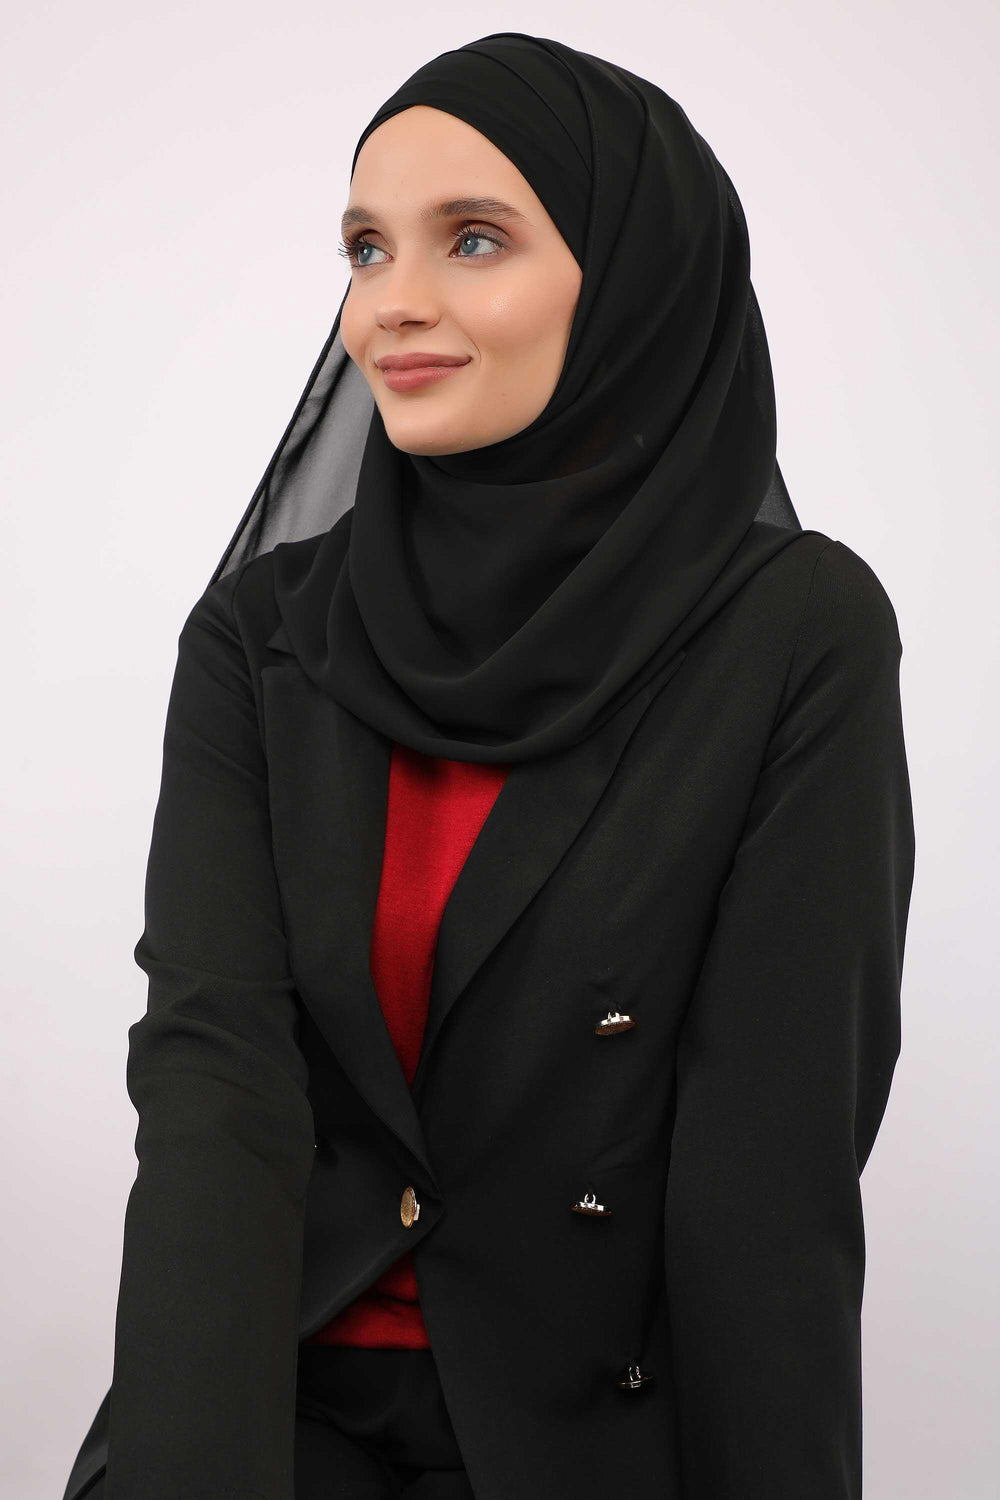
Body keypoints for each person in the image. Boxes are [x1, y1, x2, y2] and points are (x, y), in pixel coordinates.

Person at [61, 31, 916, 1500]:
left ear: (634, 279)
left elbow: (767, 1176)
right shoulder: (263, 636)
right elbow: (217, 1095)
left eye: (472, 239)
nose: (391, 302)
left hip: (586, 1430)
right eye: (365, 247)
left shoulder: (794, 637)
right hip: (276, 1405)